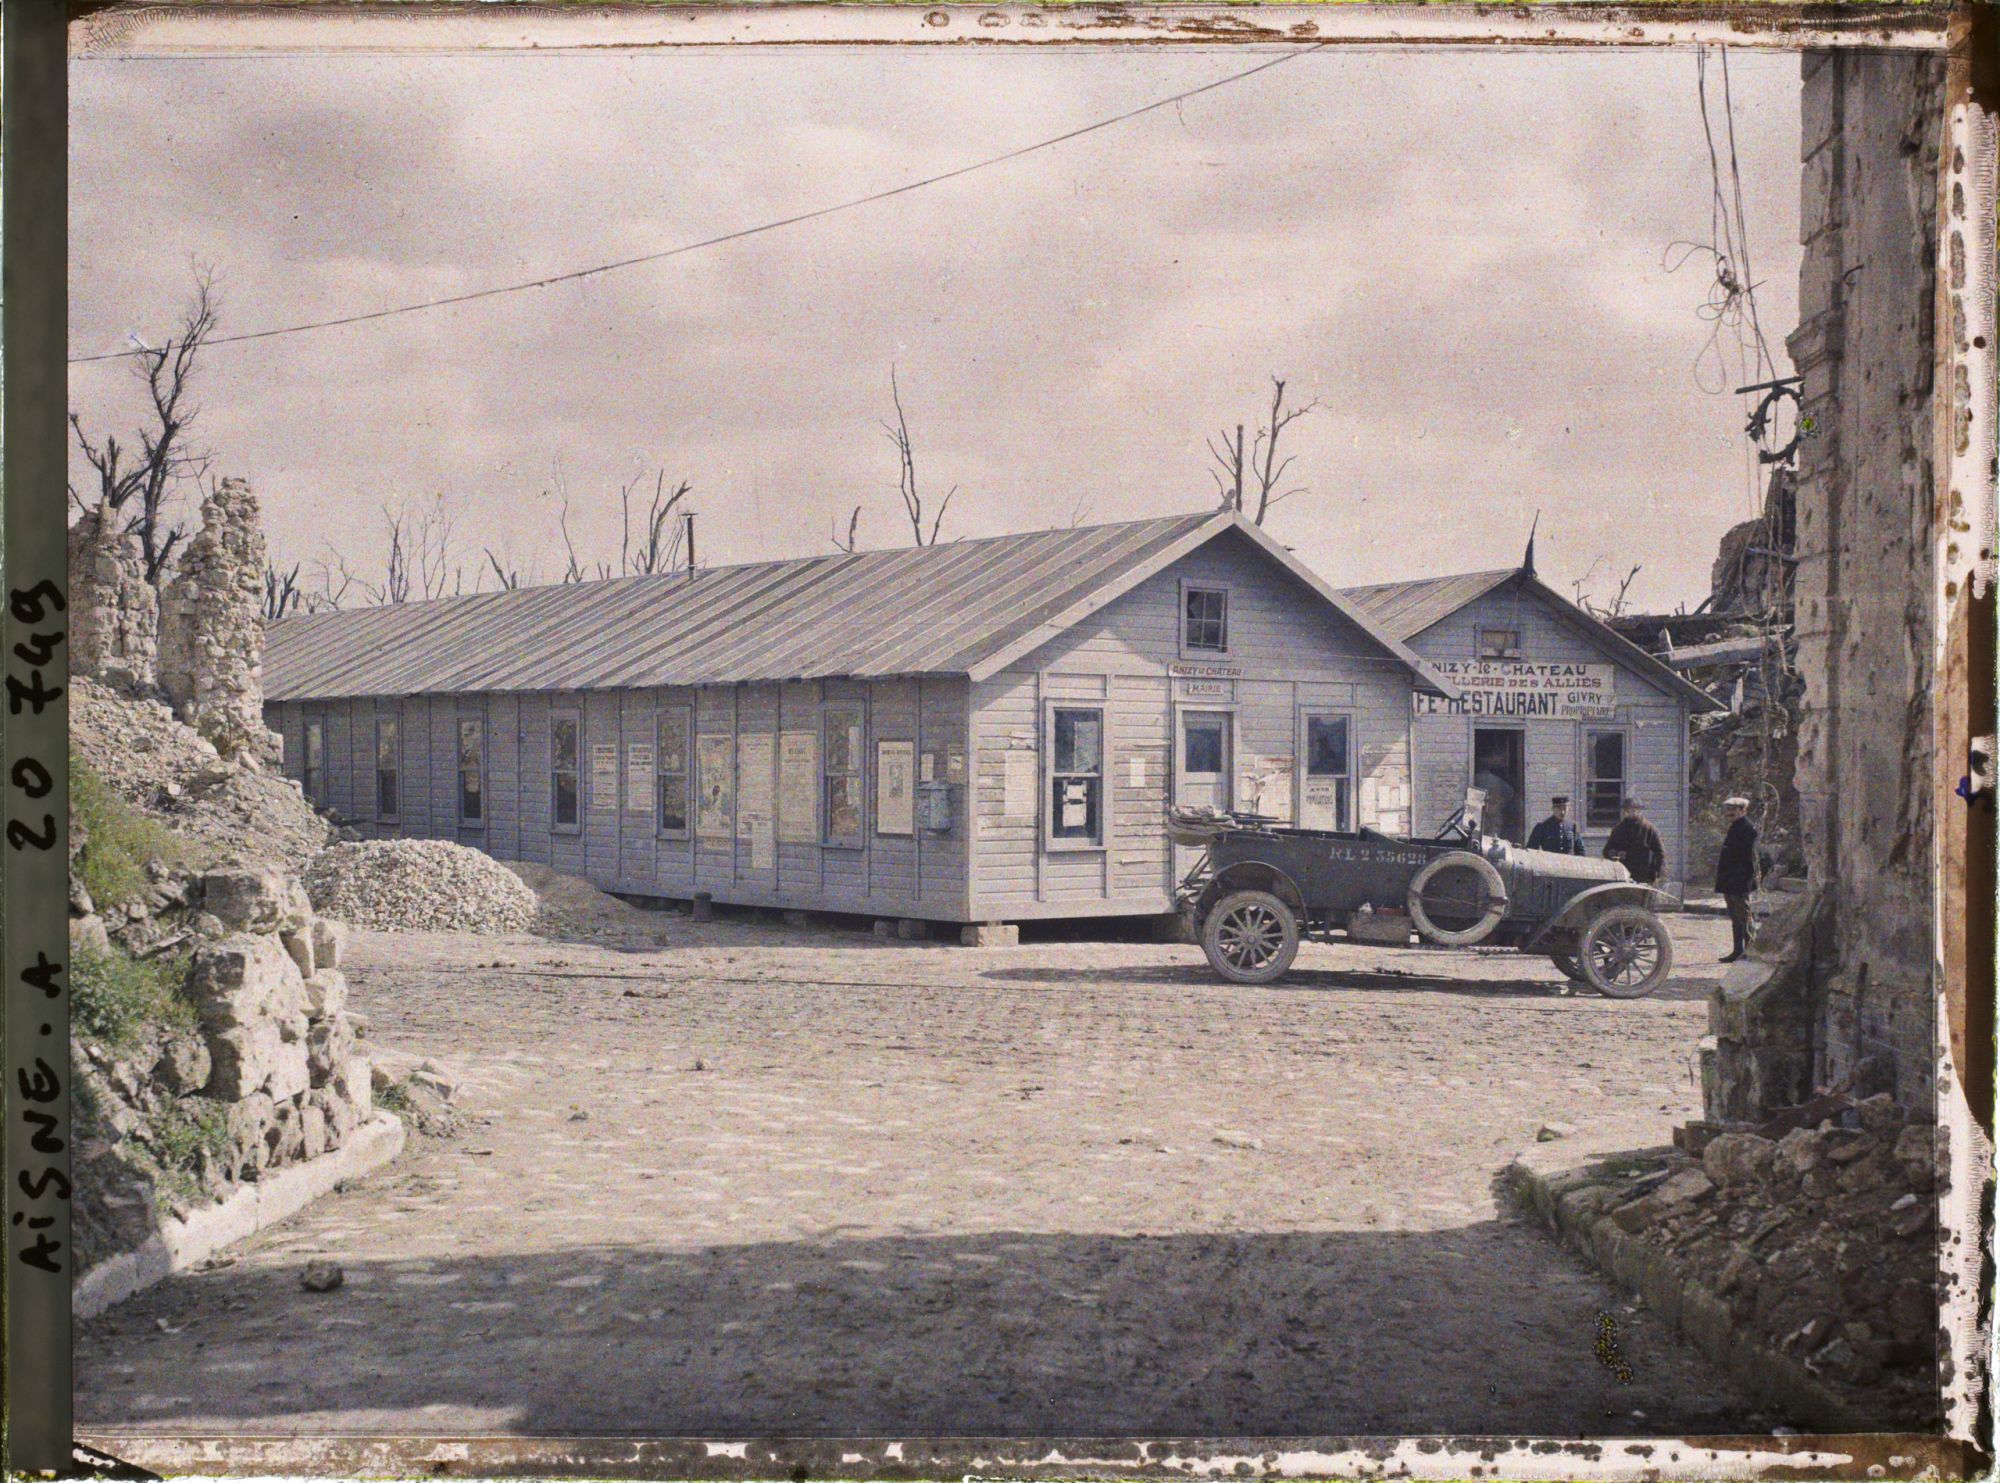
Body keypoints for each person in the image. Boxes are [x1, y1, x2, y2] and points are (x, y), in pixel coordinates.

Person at [1716, 795, 1760, 962]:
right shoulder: (1735, 827)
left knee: (1745, 918)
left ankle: (1752, 952)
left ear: (1743, 810)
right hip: (1730, 880)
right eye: (1727, 809)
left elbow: (1750, 859)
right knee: (1735, 919)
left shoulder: (1748, 829)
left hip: (1740, 881)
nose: (1729, 813)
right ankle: (1738, 951)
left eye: (1734, 809)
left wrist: (1745, 882)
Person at [1603, 797, 1665, 885]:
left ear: (1640, 810)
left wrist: (1658, 874)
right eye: (1627, 810)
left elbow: (1660, 853)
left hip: (1644, 877)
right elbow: (1607, 851)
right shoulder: (1619, 829)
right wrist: (1615, 853)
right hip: (1623, 876)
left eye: (1634, 809)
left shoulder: (1648, 829)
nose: (1630, 812)